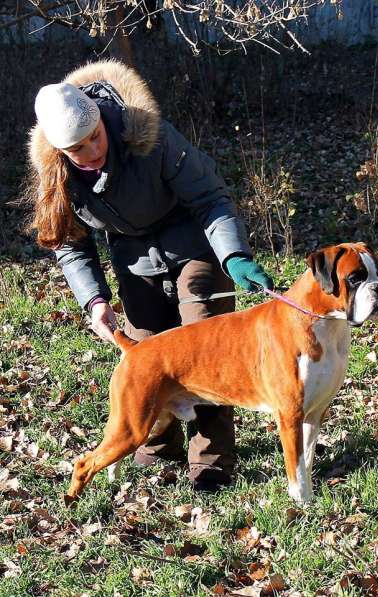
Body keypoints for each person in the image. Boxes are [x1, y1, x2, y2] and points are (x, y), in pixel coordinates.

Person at [27, 60, 273, 492]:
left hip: (197, 246)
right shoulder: (58, 177)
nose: (91, 151)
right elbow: (69, 243)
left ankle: (211, 462)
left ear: (103, 119)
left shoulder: (148, 135)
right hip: (134, 263)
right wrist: (95, 301)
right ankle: (158, 449)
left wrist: (233, 255)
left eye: (95, 137)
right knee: (146, 355)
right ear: (59, 151)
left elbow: (211, 197)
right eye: (78, 149)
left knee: (208, 352)